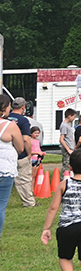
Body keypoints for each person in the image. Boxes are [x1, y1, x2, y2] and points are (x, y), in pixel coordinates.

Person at [0, 95, 26, 243]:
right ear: (5, 108)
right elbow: (20, 146)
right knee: (1, 204)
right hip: (5, 167)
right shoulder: (10, 126)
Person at [10, 97, 36, 207]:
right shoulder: (23, 120)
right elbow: (26, 139)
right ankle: (29, 203)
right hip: (19, 154)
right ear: (23, 107)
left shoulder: (4, 118)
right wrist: (29, 154)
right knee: (24, 179)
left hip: (5, 153)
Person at [58, 108, 77, 176]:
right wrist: (68, 149)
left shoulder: (68, 125)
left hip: (71, 148)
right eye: (74, 116)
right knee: (66, 165)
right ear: (69, 116)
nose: (74, 118)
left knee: (71, 165)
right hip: (67, 149)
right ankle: (64, 179)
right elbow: (61, 139)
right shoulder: (64, 125)